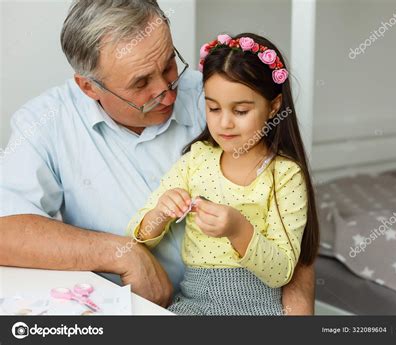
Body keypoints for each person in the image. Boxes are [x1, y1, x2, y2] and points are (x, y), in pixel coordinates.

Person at [0, 0, 316, 314]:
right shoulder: (46, 123)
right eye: (141, 83)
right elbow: (5, 231)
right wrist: (123, 253)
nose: (167, 92)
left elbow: (292, 224)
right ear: (89, 87)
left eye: (168, 65)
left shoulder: (216, 96)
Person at [127, 33, 319, 315]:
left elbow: (282, 271)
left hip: (259, 310)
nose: (224, 123)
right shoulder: (197, 160)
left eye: (240, 110)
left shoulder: (285, 176)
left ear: (274, 106)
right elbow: (139, 234)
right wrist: (161, 211)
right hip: (194, 306)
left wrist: (239, 230)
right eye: (213, 108)